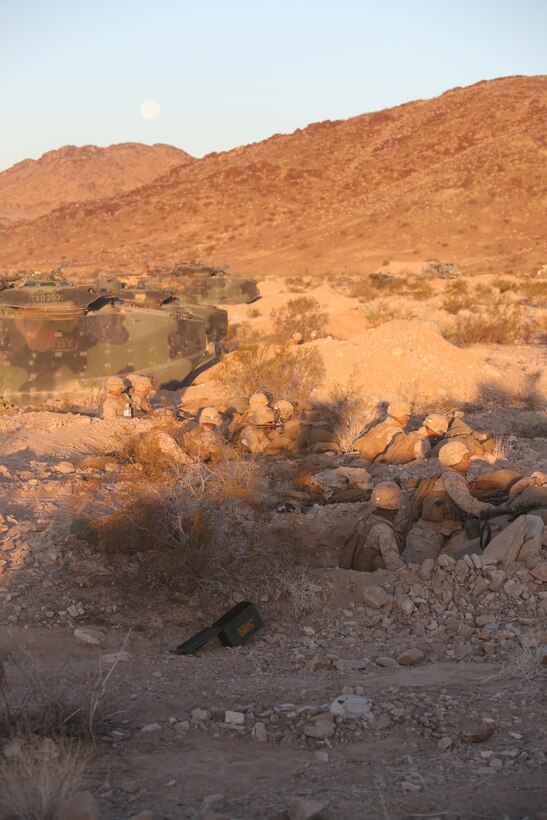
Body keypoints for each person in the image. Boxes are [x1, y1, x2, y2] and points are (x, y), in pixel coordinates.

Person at [403, 441, 495, 564]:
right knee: (418, 573)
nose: (470, 461)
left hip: (434, 534)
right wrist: (494, 510)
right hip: (428, 537)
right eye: (466, 458)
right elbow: (467, 503)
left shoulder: (447, 475)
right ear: (455, 460)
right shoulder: (452, 477)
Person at [339, 482, 405, 572]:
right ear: (395, 509)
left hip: (357, 567)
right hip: (371, 575)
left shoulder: (366, 520)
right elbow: (395, 566)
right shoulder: (384, 531)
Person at [353, 402, 428, 463]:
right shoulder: (395, 430)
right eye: (405, 415)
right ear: (397, 415)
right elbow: (395, 452)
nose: (408, 418)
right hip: (373, 463)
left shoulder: (382, 425)